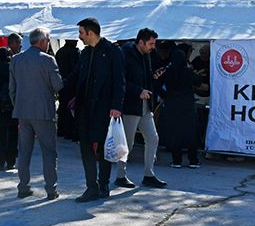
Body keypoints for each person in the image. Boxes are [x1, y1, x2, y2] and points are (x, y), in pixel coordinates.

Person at [65, 18, 125, 202]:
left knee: (104, 148)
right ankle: (91, 187)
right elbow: (75, 77)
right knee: (85, 149)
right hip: (84, 109)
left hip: (104, 108)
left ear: (90, 33)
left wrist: (116, 106)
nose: (79, 37)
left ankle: (103, 184)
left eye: (81, 33)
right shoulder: (84, 53)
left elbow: (119, 80)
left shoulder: (112, 51)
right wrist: (56, 85)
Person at [10, 28, 65, 199]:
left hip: (22, 111)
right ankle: (51, 189)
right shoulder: (49, 60)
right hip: (43, 112)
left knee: (24, 151)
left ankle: (23, 187)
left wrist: (18, 105)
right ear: (42, 41)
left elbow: (12, 89)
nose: (49, 43)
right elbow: (58, 86)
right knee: (49, 151)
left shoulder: (16, 59)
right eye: (48, 40)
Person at [115, 28, 167, 189]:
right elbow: (120, 80)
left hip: (145, 105)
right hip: (131, 106)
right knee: (128, 144)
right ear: (141, 42)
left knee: (153, 138)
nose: (153, 47)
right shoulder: (125, 54)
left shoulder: (146, 55)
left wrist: (153, 77)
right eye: (151, 44)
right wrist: (139, 91)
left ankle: (148, 174)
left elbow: (143, 78)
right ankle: (120, 176)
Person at [160, 43, 206, 168]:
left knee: (175, 133)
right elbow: (198, 81)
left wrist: (165, 97)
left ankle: (176, 161)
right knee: (191, 132)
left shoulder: (167, 72)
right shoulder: (187, 71)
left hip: (172, 104)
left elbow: (159, 85)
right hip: (187, 104)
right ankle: (193, 160)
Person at [54, 39, 79, 140]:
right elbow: (77, 70)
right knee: (71, 108)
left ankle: (61, 129)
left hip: (61, 83)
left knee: (63, 106)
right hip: (72, 84)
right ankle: (69, 131)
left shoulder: (60, 52)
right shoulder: (75, 53)